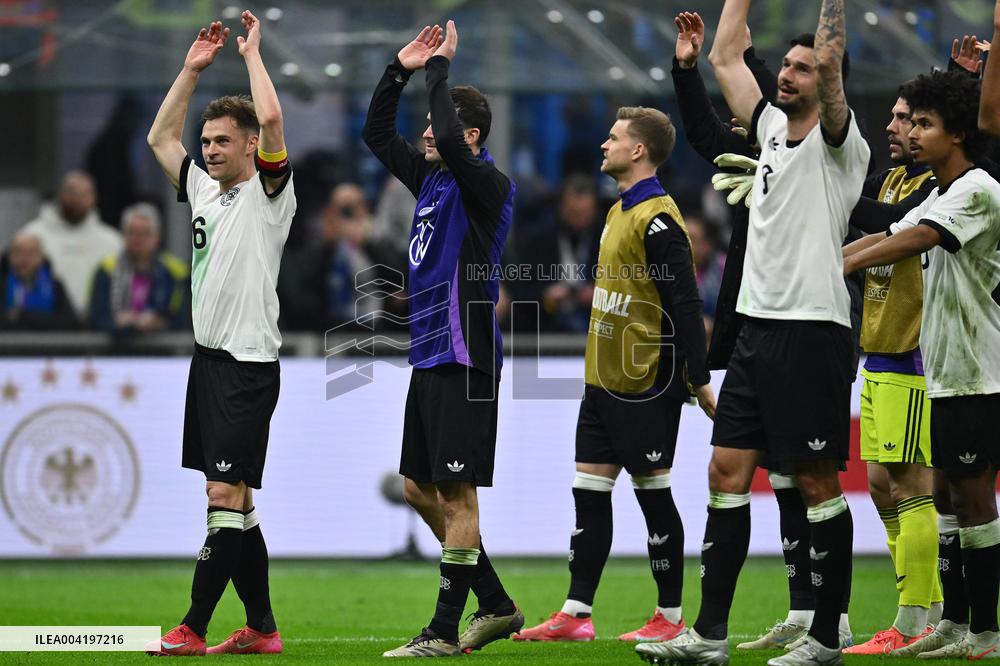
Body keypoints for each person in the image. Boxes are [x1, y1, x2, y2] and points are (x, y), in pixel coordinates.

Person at [638, 0, 870, 664]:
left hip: (812, 329)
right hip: (756, 332)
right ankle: (709, 636)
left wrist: (831, 13)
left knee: (816, 481)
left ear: (826, 80)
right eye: (786, 66)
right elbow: (726, 56)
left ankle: (827, 635)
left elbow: (828, 59)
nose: (789, 74)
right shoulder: (768, 125)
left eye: (802, 68)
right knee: (724, 471)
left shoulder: (839, 141)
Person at [513, 106, 715, 645]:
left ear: (638, 151)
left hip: (644, 383)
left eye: (614, 137)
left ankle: (670, 617)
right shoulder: (617, 211)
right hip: (602, 382)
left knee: (653, 493)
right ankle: (577, 614)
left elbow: (686, 304)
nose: (604, 144)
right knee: (589, 491)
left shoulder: (659, 220)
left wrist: (698, 379)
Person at [362, 21, 520, 657]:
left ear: (470, 136)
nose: (426, 133)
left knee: (457, 496)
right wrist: (399, 69)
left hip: (466, 356)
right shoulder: (429, 180)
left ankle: (441, 633)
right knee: (417, 489)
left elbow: (447, 137)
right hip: (428, 356)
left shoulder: (488, 185)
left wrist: (440, 72)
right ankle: (498, 603)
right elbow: (376, 134)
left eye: (438, 124)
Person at [145, 11, 293, 656]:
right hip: (208, 364)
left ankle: (193, 627)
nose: (208, 151)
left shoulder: (269, 190)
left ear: (248, 145)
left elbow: (275, 123)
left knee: (221, 493)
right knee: (238, 504)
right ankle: (262, 629)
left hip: (247, 364)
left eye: (222, 142)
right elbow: (158, 139)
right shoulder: (204, 191)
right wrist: (190, 69)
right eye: (206, 142)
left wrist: (253, 55)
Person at [845, 69, 1000, 661]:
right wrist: (826, 261)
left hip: (980, 375)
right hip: (947, 375)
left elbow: (913, 241)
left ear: (956, 133)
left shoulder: (976, 188)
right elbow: (885, 230)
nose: (911, 130)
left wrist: (842, 268)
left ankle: (985, 630)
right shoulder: (938, 189)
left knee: (976, 501)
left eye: (923, 123)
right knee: (946, 501)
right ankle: (955, 623)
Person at [22, 170, 122, 318]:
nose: (77, 199)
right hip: (45, 328)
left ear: (94, 198)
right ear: (59, 194)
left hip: (97, 330)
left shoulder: (112, 242)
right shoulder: (31, 236)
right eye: (71, 192)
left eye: (84, 194)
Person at [89, 203, 190, 336]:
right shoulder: (106, 269)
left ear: (157, 237)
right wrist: (123, 324)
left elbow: (187, 320)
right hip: (114, 353)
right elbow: (95, 319)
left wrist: (157, 323)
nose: (138, 239)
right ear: (123, 235)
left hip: (165, 354)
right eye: (132, 232)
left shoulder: (176, 271)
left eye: (145, 233)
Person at [0, 230, 79, 331]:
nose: (23, 259)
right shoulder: (3, 284)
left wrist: (21, 315)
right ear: (10, 256)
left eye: (30, 253)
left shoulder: (55, 285)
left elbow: (71, 323)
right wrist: (44, 320)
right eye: (18, 252)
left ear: (40, 257)